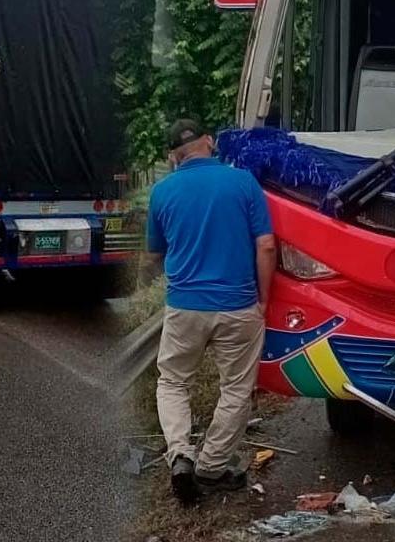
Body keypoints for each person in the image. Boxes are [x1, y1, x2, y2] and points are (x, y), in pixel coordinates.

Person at [147, 119, 278, 504]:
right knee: (236, 388)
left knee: (172, 382)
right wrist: (263, 299)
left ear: (174, 154)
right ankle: (211, 466)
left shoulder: (162, 191)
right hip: (239, 306)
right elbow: (267, 246)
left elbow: (156, 254)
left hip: (185, 306)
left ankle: (180, 455)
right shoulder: (243, 182)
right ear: (209, 142)